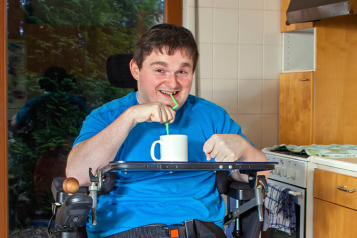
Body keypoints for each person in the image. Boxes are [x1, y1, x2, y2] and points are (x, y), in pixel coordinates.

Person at [66, 23, 269, 238]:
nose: (172, 83)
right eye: (160, 70)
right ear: (136, 69)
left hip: (199, 230)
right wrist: (130, 117)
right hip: (123, 231)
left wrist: (244, 149)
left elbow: (261, 176)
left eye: (182, 71)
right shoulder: (107, 116)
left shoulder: (212, 116)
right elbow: (77, 175)